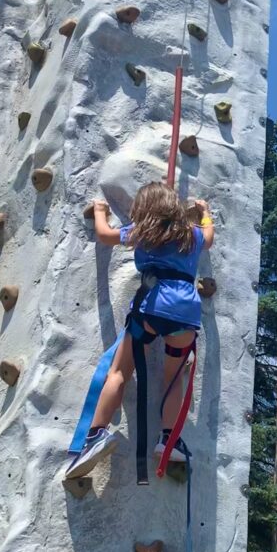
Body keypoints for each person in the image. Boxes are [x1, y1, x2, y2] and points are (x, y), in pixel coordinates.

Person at [66, 183, 215, 479]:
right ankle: (168, 440)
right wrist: (205, 214)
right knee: (173, 379)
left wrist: (99, 211)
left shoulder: (142, 232)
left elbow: (105, 235)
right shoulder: (192, 235)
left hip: (152, 306)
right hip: (186, 312)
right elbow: (209, 239)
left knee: (119, 372)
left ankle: (96, 434)